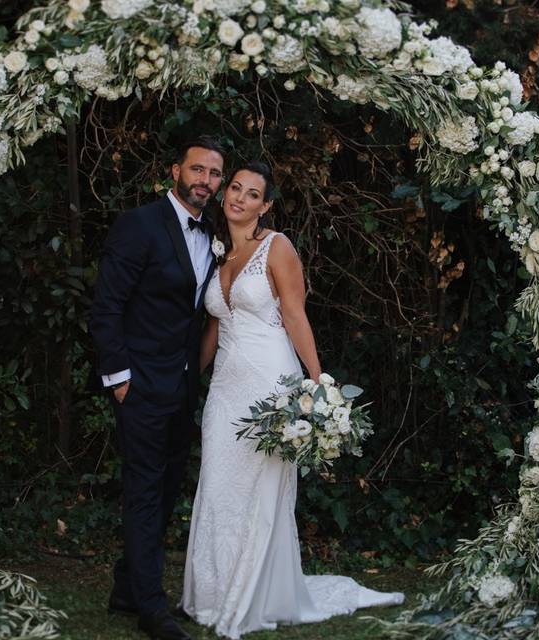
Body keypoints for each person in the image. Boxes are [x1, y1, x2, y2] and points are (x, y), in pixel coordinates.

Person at [180, 161, 404, 638]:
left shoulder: (276, 248)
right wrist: (184, 379)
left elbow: (296, 316)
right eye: (234, 188)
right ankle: (213, 592)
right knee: (219, 485)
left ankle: (250, 597)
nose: (239, 198)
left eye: (252, 193)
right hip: (224, 389)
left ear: (266, 206)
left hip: (270, 383)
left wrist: (318, 382)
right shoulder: (215, 252)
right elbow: (214, 327)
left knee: (260, 490)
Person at [90, 136, 226, 640]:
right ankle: (152, 608)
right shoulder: (140, 225)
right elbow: (107, 307)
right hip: (141, 387)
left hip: (183, 388)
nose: (205, 181)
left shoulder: (212, 232)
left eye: (214, 174)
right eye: (198, 170)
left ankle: (128, 587)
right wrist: (120, 380)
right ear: (175, 171)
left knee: (166, 492)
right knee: (145, 494)